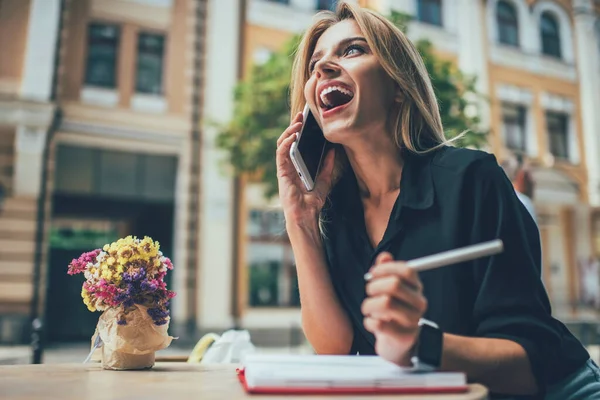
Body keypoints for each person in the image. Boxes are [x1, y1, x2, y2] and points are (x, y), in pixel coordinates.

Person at [274, 2, 600, 399]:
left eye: (352, 50)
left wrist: (417, 344)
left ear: (398, 86)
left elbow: (530, 367)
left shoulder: (471, 179)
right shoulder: (333, 209)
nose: (322, 69)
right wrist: (300, 221)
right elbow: (335, 346)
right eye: (314, 65)